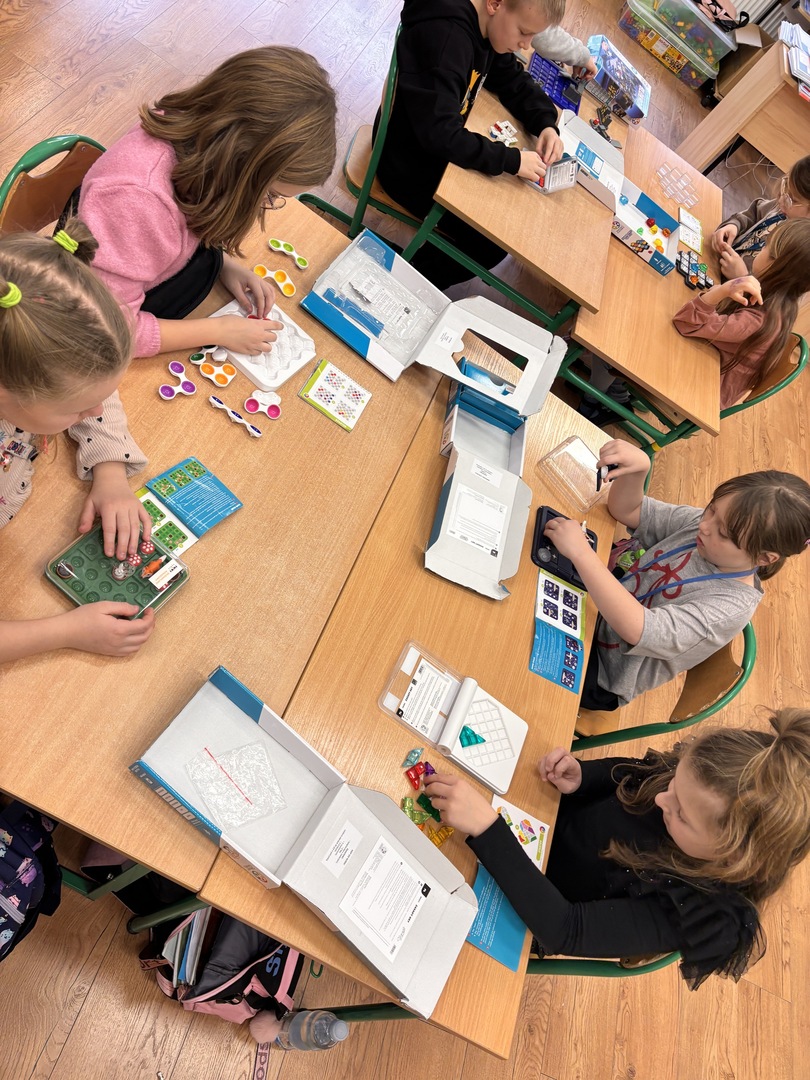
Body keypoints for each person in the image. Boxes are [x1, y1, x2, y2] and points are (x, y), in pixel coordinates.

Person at [424, 708, 810, 987]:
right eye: (674, 783)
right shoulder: (695, 789)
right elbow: (635, 775)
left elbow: (564, 928)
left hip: (530, 907)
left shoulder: (697, 912)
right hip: (538, 829)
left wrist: (488, 829)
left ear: (731, 856)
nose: (662, 799)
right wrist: (584, 776)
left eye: (681, 813)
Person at [78, 46, 337, 358]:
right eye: (271, 195)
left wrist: (224, 265)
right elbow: (105, 333)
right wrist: (218, 331)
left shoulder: (199, 139)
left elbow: (178, 229)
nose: (265, 206)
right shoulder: (138, 203)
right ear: (235, 161)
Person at [543, 439, 810, 711]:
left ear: (764, 558)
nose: (705, 526)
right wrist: (638, 472)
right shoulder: (703, 527)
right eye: (712, 509)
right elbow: (629, 510)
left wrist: (582, 554)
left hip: (601, 672)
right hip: (596, 606)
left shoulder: (729, 608)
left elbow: (639, 629)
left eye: (723, 534)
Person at [0, 220, 155, 662]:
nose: (95, 410)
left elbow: (89, 390)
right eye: (76, 410)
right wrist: (65, 632)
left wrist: (111, 473)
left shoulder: (28, 370)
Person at [375, 0, 567, 291]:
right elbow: (440, 135)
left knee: (501, 215)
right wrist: (512, 161)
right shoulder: (446, 40)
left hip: (426, 144)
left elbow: (511, 78)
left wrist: (545, 124)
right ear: (495, 4)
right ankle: (404, 282)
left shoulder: (487, 26)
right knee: (492, 240)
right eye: (523, 32)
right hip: (405, 164)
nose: (526, 45)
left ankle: (409, 273)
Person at [673, 219, 810, 409]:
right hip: (706, 365)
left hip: (696, 392)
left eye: (766, 247)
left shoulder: (757, 322)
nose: (760, 249)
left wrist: (724, 289)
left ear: (775, 265)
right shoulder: (782, 302)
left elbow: (685, 323)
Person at [711, 155, 810, 279]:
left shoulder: (802, 252)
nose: (781, 200)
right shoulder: (783, 207)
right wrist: (734, 225)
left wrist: (742, 277)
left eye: (792, 200)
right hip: (716, 264)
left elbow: (775, 289)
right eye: (785, 185)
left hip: (735, 288)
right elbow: (754, 214)